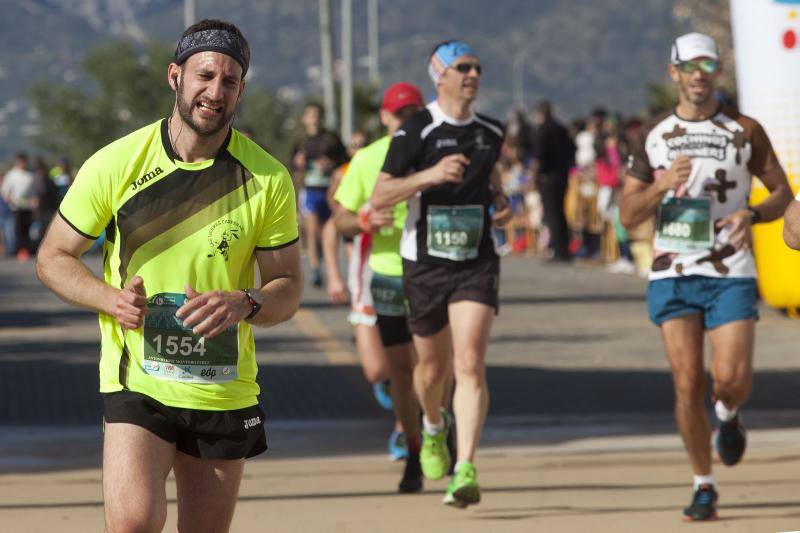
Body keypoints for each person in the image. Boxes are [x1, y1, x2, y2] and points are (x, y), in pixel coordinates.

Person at [35, 19, 302, 532]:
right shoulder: (117, 163)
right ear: (175, 76)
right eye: (204, 76)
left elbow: (287, 286)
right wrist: (110, 299)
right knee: (133, 523)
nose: (215, 91)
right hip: (138, 379)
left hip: (222, 387)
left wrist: (246, 302)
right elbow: (54, 257)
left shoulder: (267, 178)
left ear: (242, 90)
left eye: (229, 81)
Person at [620, 32, 791, 521]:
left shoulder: (744, 130)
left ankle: (730, 414)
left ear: (717, 72)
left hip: (730, 267)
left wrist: (752, 216)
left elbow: (781, 192)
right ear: (672, 72)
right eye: (689, 66)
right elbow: (629, 215)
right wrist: (662, 187)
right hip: (672, 270)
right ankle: (703, 483)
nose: (699, 74)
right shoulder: (652, 135)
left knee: (731, 379)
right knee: (687, 381)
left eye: (708, 65)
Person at [371, 40, 512, 508]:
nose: (472, 75)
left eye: (477, 67)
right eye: (463, 68)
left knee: (469, 362)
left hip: (476, 259)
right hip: (425, 263)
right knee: (431, 370)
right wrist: (430, 176)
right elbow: (382, 195)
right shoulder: (417, 129)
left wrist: (503, 204)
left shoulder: (492, 130)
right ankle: (433, 425)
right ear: (440, 76)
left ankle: (465, 465)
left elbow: (493, 183)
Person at [334, 81, 426, 492]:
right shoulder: (368, 159)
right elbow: (341, 219)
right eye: (399, 115)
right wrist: (366, 223)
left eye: (413, 114)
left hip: (430, 275)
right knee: (388, 370)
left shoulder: (435, 156)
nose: (405, 122)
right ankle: (412, 436)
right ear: (386, 118)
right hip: (381, 274)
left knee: (430, 368)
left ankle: (423, 433)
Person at [291, 103, 349, 288]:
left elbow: (345, 160)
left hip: (330, 189)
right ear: (304, 119)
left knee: (327, 230)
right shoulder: (300, 140)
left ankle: (323, 256)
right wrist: (298, 162)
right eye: (310, 114)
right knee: (311, 226)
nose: (314, 118)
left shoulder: (331, 138)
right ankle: (316, 269)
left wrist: (330, 164)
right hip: (309, 189)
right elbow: (291, 162)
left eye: (317, 114)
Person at [531, 100, 575, 262]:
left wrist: (533, 174)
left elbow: (538, 154)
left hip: (547, 177)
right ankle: (565, 249)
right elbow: (572, 149)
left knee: (551, 214)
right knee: (561, 212)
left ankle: (558, 251)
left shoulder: (543, 129)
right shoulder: (562, 129)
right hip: (562, 175)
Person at [1, 152, 38, 260]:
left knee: (27, 229)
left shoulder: (30, 175)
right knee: (17, 230)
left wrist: (35, 201)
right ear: (17, 162)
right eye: (20, 161)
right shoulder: (11, 175)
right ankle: (17, 250)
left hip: (28, 207)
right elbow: (5, 191)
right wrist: (8, 198)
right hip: (16, 207)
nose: (22, 163)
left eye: (24, 161)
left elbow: (34, 192)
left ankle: (25, 250)